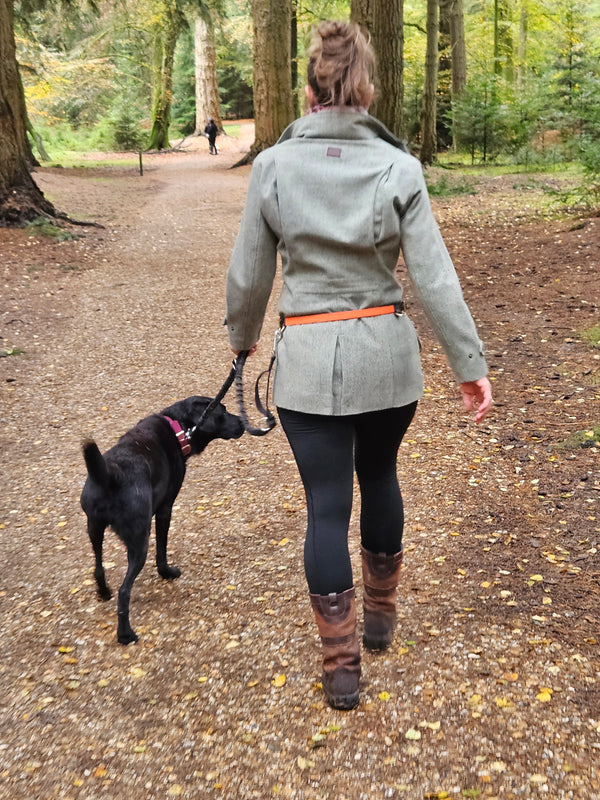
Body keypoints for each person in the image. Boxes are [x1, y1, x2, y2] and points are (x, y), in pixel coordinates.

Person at [225, 20, 493, 711]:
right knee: (381, 476)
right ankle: (377, 618)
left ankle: (341, 666)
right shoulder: (399, 167)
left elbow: (249, 276)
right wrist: (469, 364)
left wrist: (242, 339)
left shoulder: (273, 167)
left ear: (311, 85)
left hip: (309, 364)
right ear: (367, 85)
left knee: (325, 508)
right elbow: (436, 278)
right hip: (386, 361)